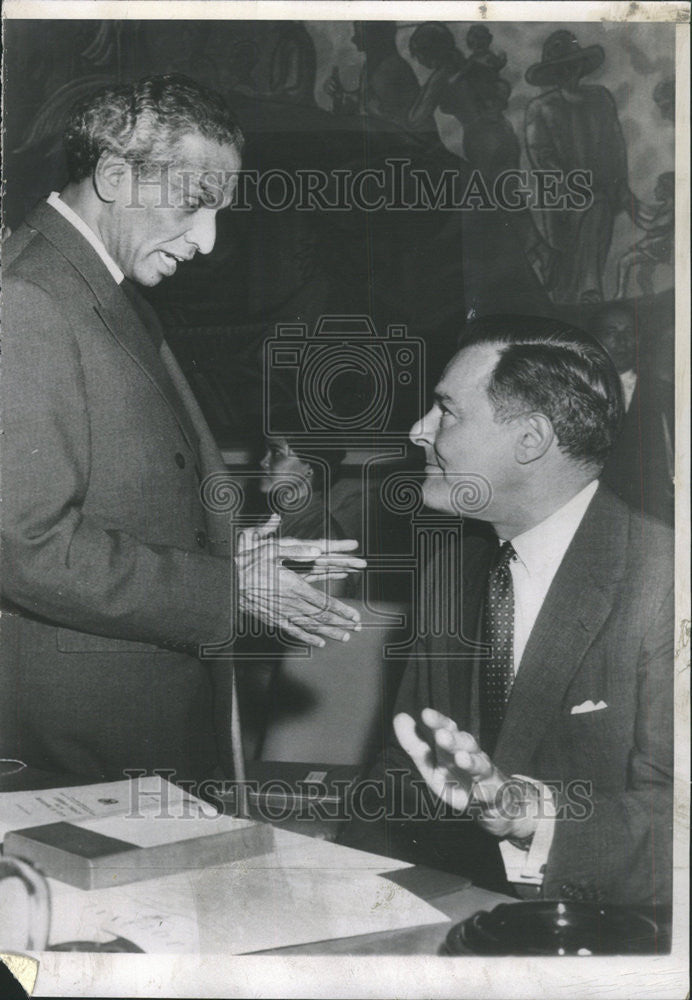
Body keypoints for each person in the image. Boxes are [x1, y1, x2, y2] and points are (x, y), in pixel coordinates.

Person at [1, 74, 365, 786]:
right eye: (195, 205)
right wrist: (230, 593)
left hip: (125, 720)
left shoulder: (95, 285)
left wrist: (239, 556)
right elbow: (27, 545)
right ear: (112, 175)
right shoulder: (27, 298)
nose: (206, 241)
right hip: (79, 740)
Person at [340, 316, 673, 910]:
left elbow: (675, 831)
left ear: (530, 440)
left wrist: (527, 818)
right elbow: (401, 769)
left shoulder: (668, 581)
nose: (418, 431)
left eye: (448, 411)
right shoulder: (452, 569)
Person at [525, 30, 630, 304]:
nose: (567, 71)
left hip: (603, 195)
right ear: (553, 72)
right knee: (565, 267)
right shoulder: (541, 107)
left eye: (572, 64)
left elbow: (616, 146)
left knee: (595, 243)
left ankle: (590, 294)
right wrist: (571, 186)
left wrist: (620, 186)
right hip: (562, 198)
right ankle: (581, 297)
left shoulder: (601, 99)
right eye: (560, 68)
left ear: (581, 65)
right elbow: (541, 155)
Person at [591, 304, 674, 524]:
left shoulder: (666, 394)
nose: (622, 341)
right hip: (597, 516)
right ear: (594, 339)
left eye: (630, 332)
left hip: (654, 517)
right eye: (611, 332)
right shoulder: (578, 393)